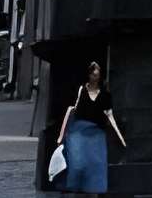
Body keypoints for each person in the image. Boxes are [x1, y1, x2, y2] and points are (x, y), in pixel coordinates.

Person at [51, 59, 126, 193]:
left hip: (96, 133)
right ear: (89, 75)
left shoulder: (105, 95)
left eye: (97, 75)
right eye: (93, 74)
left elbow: (110, 117)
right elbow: (73, 111)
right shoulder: (82, 90)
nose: (95, 78)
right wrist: (62, 136)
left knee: (95, 169)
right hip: (80, 131)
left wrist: (120, 138)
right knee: (78, 165)